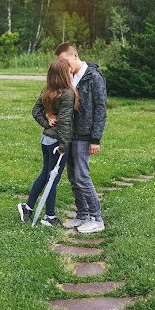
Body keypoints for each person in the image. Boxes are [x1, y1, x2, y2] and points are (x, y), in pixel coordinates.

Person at [18, 57, 78, 227]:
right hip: (56, 144)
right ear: (63, 74)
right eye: (68, 70)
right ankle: (49, 217)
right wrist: (63, 145)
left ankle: (28, 208)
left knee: (46, 174)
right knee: (53, 179)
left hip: (46, 140)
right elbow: (65, 122)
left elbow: (35, 111)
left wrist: (46, 124)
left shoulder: (48, 90)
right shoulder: (67, 93)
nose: (71, 72)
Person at [54, 42, 107, 234]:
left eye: (64, 60)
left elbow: (101, 109)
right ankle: (82, 215)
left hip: (85, 136)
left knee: (82, 176)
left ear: (74, 55)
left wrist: (96, 138)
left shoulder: (94, 77)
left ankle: (97, 219)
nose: (62, 65)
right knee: (73, 177)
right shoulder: (69, 75)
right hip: (70, 135)